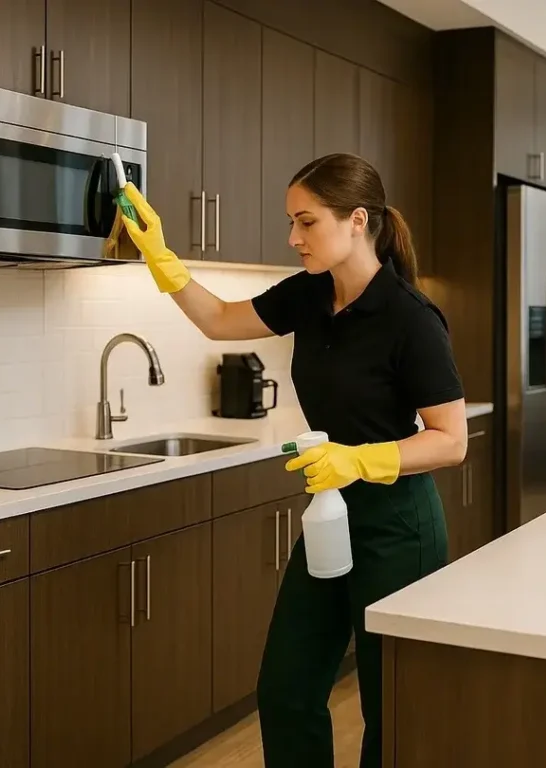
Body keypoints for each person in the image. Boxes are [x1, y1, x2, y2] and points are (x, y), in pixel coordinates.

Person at [115, 152, 467, 767]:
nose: (292, 237)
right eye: (291, 222)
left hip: (398, 526)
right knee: (287, 689)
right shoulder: (310, 296)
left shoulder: (410, 318)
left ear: (357, 220)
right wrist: (160, 258)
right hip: (330, 518)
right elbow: (222, 321)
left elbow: (450, 439)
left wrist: (358, 460)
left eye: (306, 222)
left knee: (390, 707)